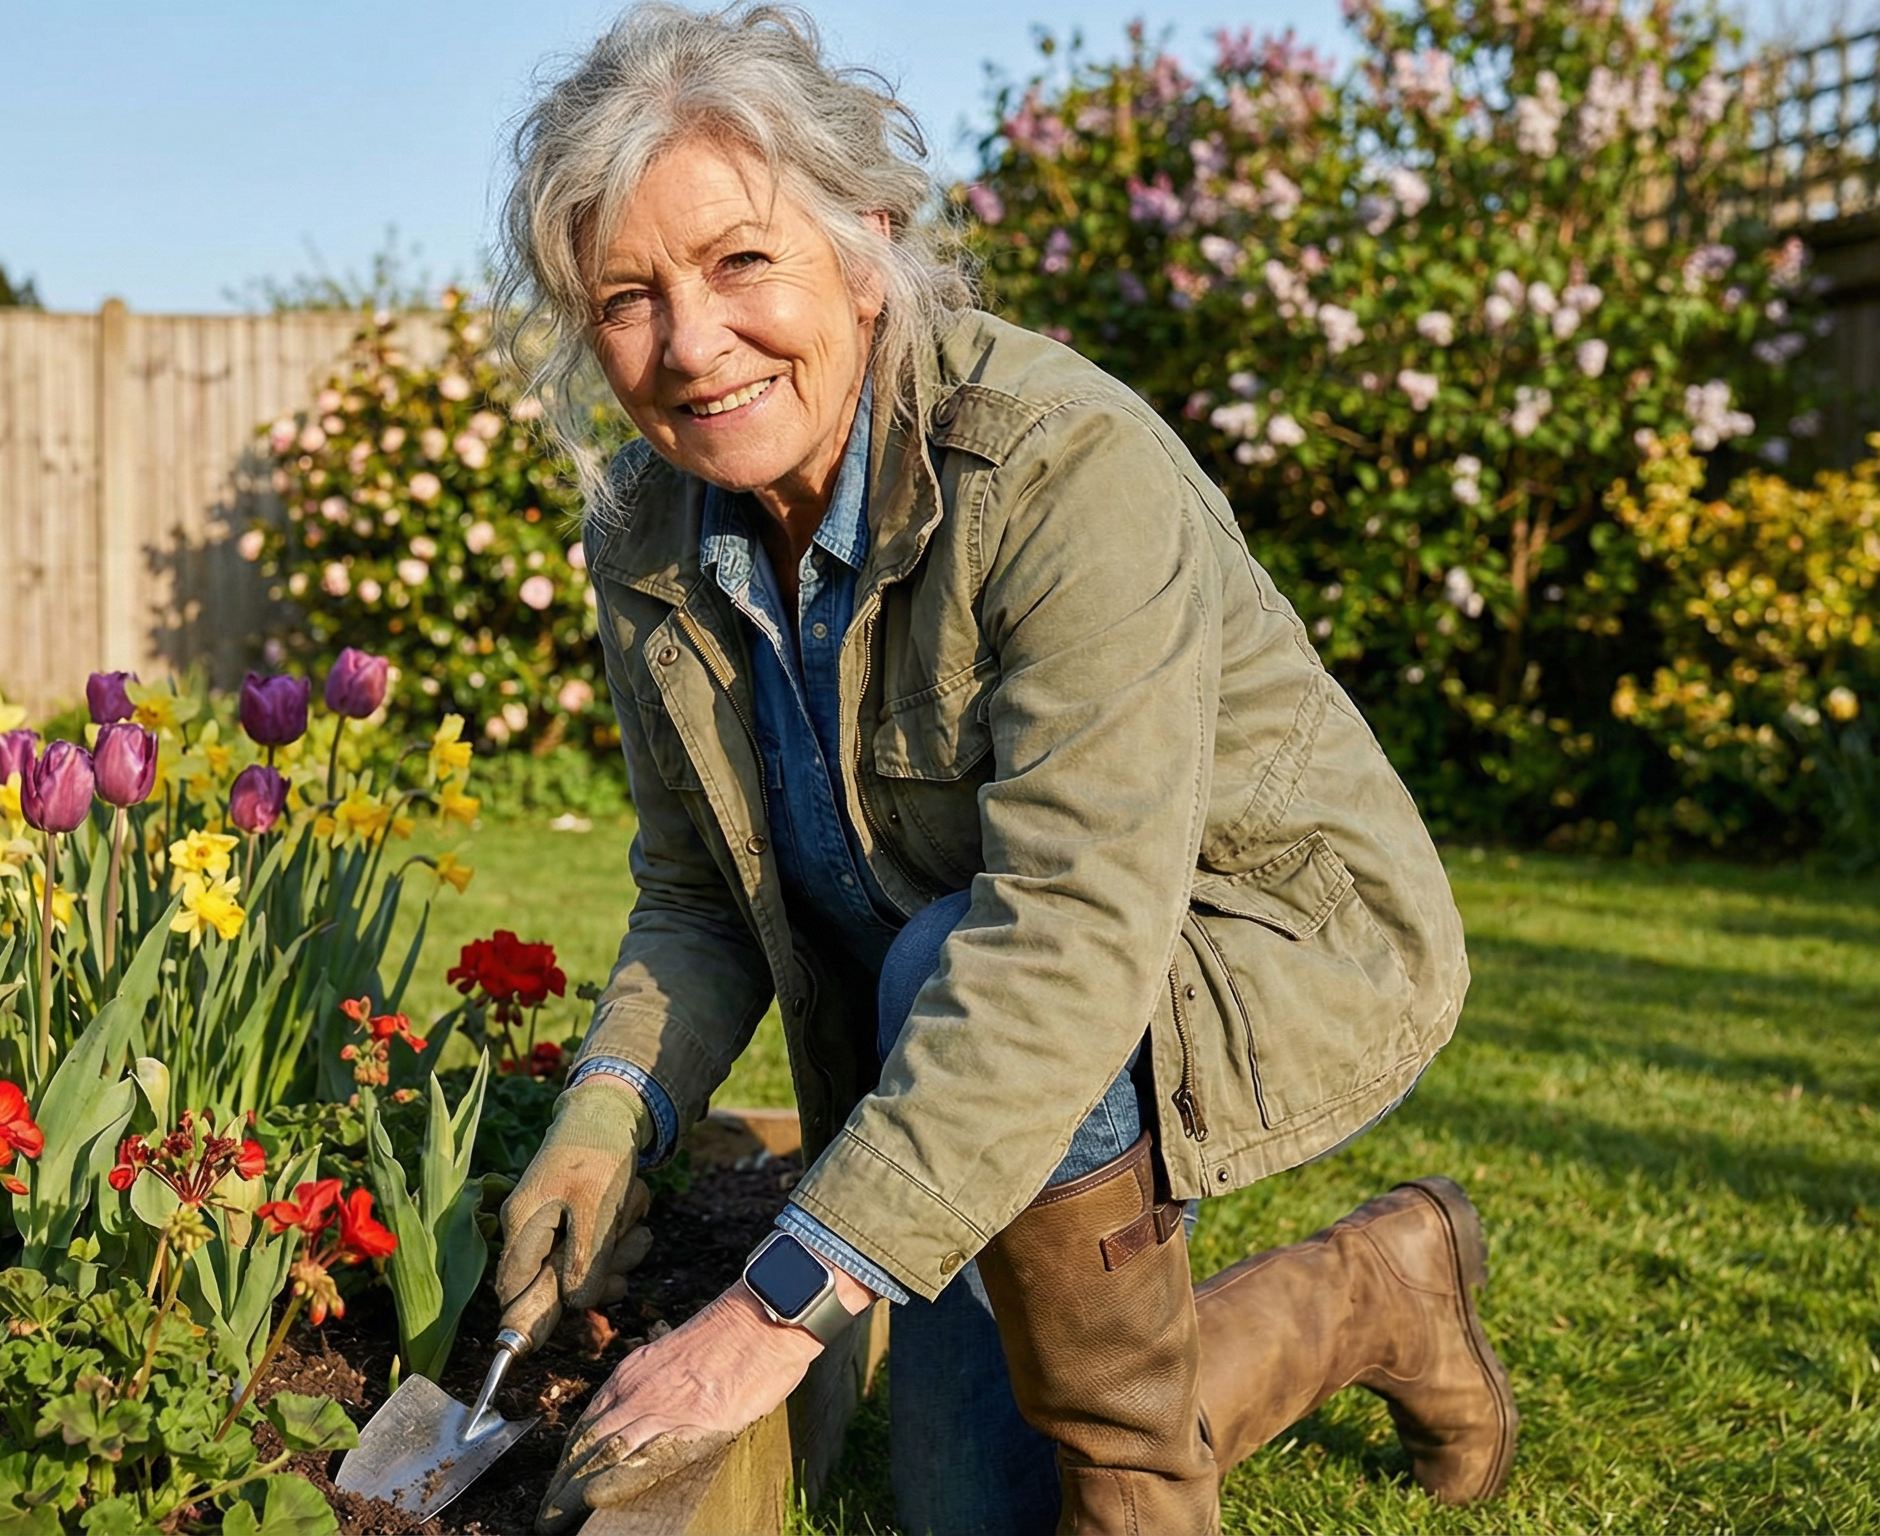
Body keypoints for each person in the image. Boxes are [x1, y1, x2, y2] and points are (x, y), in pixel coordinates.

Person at [484, 6, 1516, 1533]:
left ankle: (1138, 1490)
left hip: (1251, 938)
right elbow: (698, 894)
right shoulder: (650, 529)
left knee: (959, 967)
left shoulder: (1057, 468)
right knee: (972, 1507)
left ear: (869, 242)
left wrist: (765, 1321)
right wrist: (608, 1110)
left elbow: (1066, 940)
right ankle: (1380, 1286)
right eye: (628, 298)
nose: (691, 346)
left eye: (741, 262)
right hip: (969, 999)